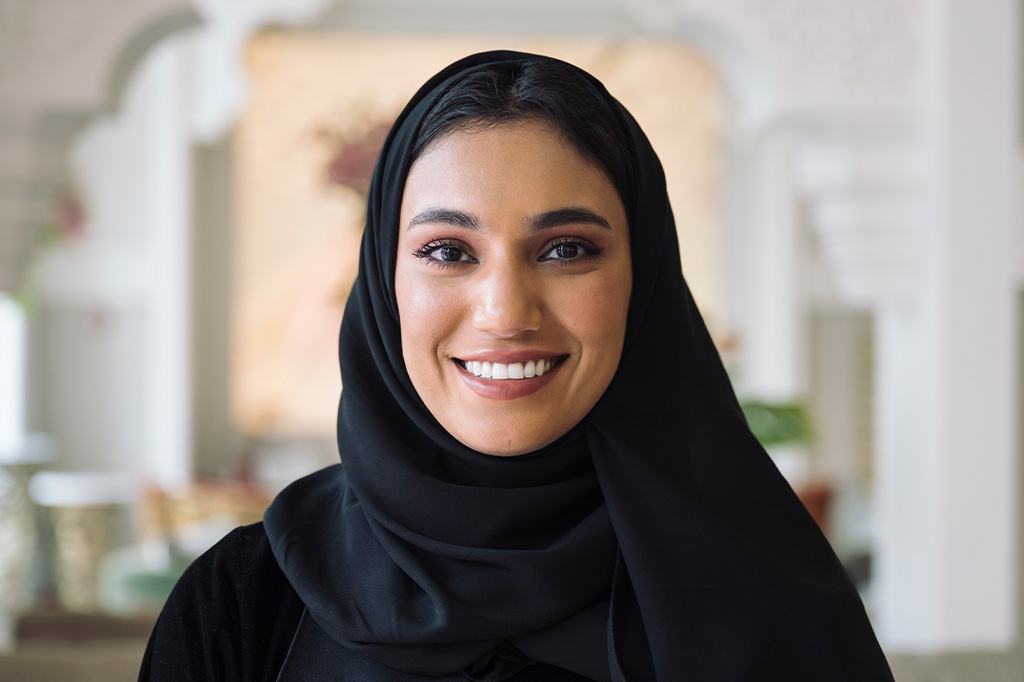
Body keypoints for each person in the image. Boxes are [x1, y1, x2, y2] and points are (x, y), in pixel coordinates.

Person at [139, 50, 894, 681]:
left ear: (645, 279)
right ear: (382, 283)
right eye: (447, 252)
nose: (505, 311)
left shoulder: (771, 608)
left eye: (567, 249)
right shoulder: (244, 601)